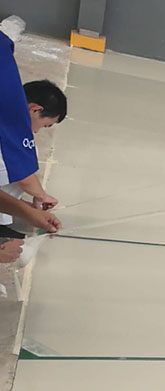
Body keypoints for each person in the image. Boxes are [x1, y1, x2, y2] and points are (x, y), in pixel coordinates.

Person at [0, 29, 65, 240]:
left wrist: (29, 209)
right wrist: (41, 195)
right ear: (35, 109)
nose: (37, 131)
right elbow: (23, 176)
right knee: (19, 164)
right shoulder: (11, 122)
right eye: (44, 125)